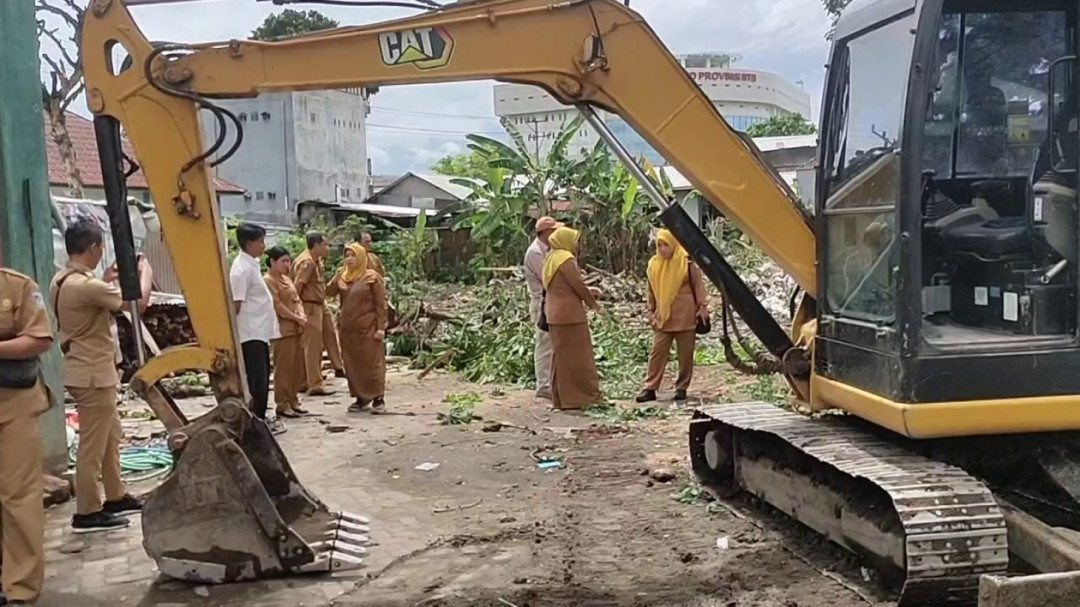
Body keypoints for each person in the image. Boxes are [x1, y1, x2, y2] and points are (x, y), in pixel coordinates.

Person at [53, 218, 151, 533]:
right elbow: (138, 304)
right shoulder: (87, 286)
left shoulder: (63, 279)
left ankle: (115, 495)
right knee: (93, 447)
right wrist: (144, 272)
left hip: (88, 370)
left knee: (110, 438)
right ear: (94, 248)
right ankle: (87, 511)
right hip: (93, 374)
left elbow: (96, 294)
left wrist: (107, 278)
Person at [0, 242, 52, 606]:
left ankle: (20, 588)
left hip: (12, 406)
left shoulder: (16, 287)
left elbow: (39, 339)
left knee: (17, 497)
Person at [636, 229, 708, 403]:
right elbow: (651, 292)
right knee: (657, 352)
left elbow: (698, 285)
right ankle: (650, 387)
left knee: (685, 355)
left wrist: (703, 307)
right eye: (659, 245)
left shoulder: (686, 263)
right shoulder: (654, 265)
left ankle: (681, 387)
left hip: (685, 316)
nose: (662, 249)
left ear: (674, 244)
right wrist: (650, 312)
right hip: (663, 317)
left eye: (666, 245)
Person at [542, 226, 603, 410]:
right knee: (579, 359)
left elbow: (563, 286)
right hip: (569, 316)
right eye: (575, 241)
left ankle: (560, 398)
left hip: (554, 314)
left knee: (560, 358)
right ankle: (581, 397)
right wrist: (594, 304)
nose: (577, 245)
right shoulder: (565, 259)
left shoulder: (551, 258)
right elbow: (578, 285)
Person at [229, 223, 281, 426]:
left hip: (259, 330)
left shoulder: (252, 264)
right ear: (249, 243)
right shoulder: (241, 270)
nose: (263, 246)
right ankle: (255, 419)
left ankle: (259, 416)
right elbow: (236, 303)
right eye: (260, 242)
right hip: (249, 332)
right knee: (256, 380)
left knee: (262, 377)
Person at [328, 244, 388, 414]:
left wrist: (381, 327)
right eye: (347, 256)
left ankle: (378, 398)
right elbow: (328, 292)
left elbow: (380, 304)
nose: (349, 259)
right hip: (347, 329)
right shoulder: (343, 276)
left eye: (353, 256)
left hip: (368, 328)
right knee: (353, 364)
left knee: (372, 363)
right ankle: (361, 398)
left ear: (361, 257)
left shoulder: (372, 277)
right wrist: (336, 277)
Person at [263, 246, 307, 419]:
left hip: (297, 327)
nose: (287, 265)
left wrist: (301, 315)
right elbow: (278, 306)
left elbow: (297, 300)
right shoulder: (268, 281)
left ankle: (293, 399)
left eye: (288, 261)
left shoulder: (287, 279)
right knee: (284, 368)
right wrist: (296, 319)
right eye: (283, 261)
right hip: (282, 330)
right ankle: (282, 403)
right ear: (273, 262)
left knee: (297, 367)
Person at [293, 233, 339, 395]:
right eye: (325, 245)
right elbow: (297, 287)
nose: (328, 248)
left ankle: (338, 366)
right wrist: (297, 309)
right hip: (309, 305)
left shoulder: (316, 260)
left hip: (320, 303)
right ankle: (314, 383)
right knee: (313, 345)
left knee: (330, 334)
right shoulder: (307, 263)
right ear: (316, 245)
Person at [523, 216, 563, 402]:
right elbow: (549, 277)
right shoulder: (535, 253)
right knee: (545, 345)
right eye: (553, 231)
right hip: (541, 303)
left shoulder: (548, 250)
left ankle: (550, 382)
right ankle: (543, 385)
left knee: (552, 345)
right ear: (545, 233)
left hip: (549, 301)